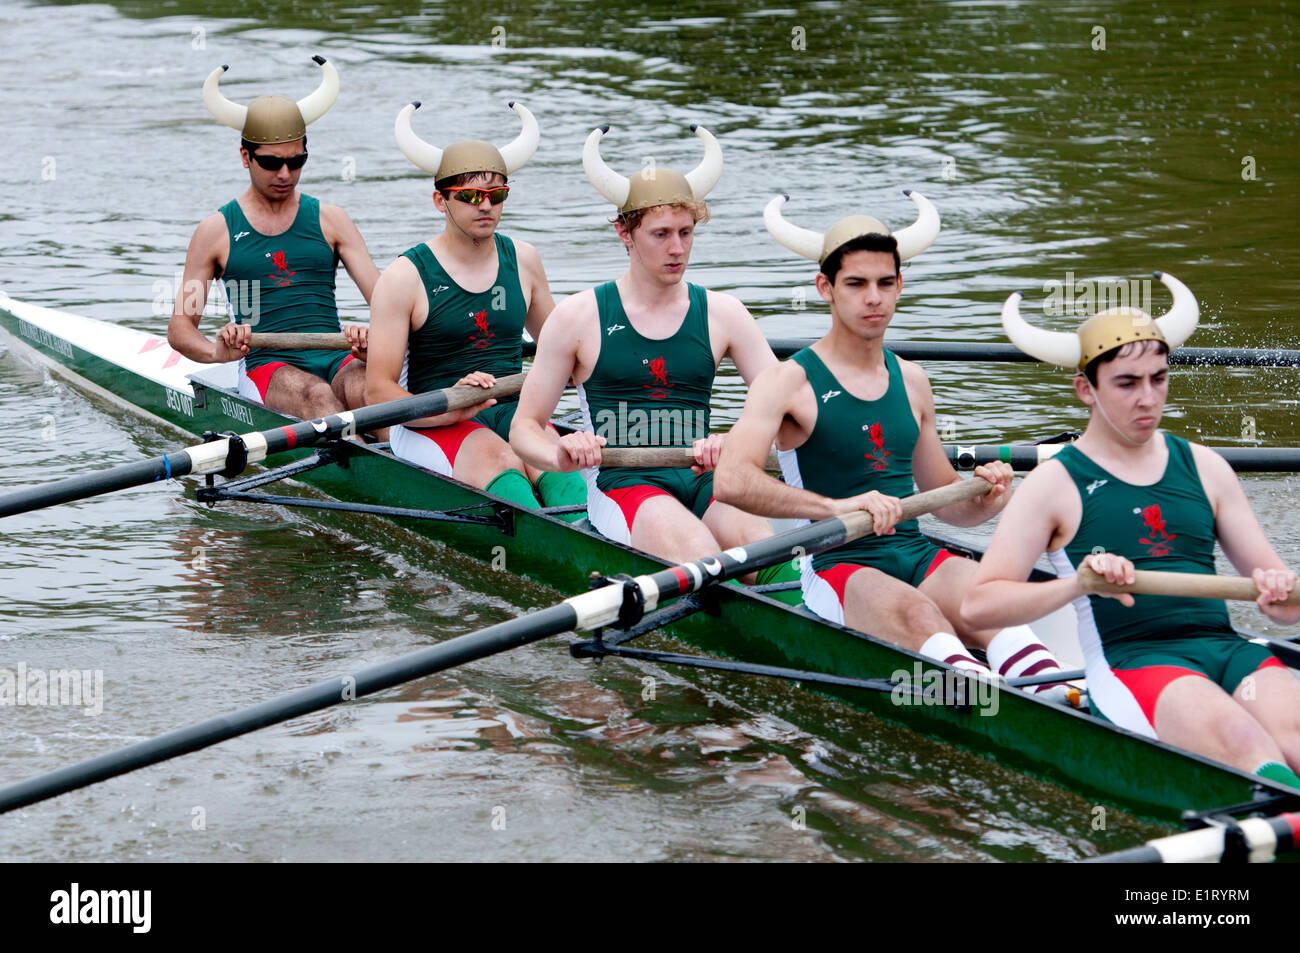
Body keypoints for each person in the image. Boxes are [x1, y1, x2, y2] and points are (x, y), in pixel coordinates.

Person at [713, 192, 1075, 699]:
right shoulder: (786, 382)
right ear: (825, 288)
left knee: (992, 602)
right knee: (919, 614)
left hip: (912, 549)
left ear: (900, 286)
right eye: (856, 284)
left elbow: (947, 504)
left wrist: (985, 497)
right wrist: (836, 507)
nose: (873, 298)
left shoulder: (912, 381)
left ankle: (1059, 697)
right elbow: (731, 480)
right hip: (836, 563)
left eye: (886, 283)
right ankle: (991, 703)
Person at [962, 273, 1300, 784]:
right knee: (1245, 743)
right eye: (1126, 383)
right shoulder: (1054, 485)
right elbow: (979, 605)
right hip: (1135, 663)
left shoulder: (1206, 468)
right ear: (1085, 389)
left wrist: (1282, 592)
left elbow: (1284, 609)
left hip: (1227, 650)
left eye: (1158, 378)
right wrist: (1078, 583)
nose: (1148, 398)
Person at [510, 123, 792, 587]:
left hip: (702, 474)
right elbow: (524, 427)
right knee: (704, 556)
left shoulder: (725, 313)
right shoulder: (578, 317)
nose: (677, 248)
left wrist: (740, 440)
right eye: (661, 234)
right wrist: (561, 453)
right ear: (625, 232)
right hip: (623, 481)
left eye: (686, 232)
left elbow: (786, 409)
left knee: (761, 550)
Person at [364, 101, 584, 512]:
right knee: (504, 464)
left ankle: (597, 545)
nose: (486, 206)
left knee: (562, 468)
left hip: (511, 408)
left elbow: (563, 351)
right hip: (428, 421)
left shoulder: (524, 259)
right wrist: (449, 410)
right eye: (469, 195)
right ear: (439, 201)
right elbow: (378, 392)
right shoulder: (404, 277)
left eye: (497, 194)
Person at [168, 56, 378, 418]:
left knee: (369, 393)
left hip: (336, 353)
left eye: (296, 161)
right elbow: (181, 327)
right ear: (245, 157)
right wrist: (217, 353)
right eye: (271, 163)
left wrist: (374, 337)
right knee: (319, 397)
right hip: (266, 363)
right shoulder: (216, 231)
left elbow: (387, 302)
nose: (285, 173)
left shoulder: (332, 220)